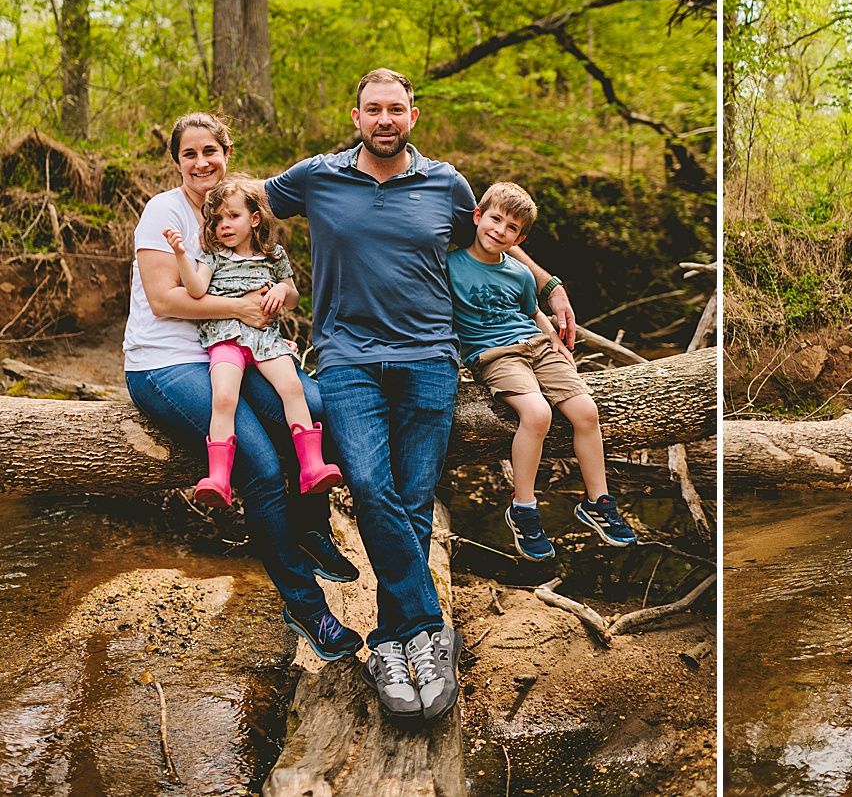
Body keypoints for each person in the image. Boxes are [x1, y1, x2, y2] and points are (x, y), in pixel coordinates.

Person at [265, 68, 576, 725]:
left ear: (414, 115)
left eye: (395, 109)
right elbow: (241, 208)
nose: (384, 118)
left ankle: (390, 641)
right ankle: (427, 628)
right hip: (347, 358)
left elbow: (490, 245)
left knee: (411, 498)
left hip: (431, 360)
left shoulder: (447, 184)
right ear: (355, 116)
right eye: (372, 108)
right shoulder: (317, 176)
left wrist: (550, 285)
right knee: (373, 488)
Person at [125, 113, 363, 664]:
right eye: (190, 154)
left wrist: (282, 296)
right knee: (257, 461)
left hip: (242, 350)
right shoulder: (166, 211)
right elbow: (165, 300)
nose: (202, 162)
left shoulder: (240, 201)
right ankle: (306, 607)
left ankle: (311, 526)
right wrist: (243, 308)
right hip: (168, 363)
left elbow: (286, 262)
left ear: (227, 151)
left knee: (320, 407)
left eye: (211, 150)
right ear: (177, 161)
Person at [449, 181, 637, 561]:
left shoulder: (519, 272)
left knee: (586, 411)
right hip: (495, 355)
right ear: (477, 216)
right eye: (495, 220)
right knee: (537, 414)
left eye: (512, 228)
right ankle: (524, 508)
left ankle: (597, 501)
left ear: (521, 237)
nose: (500, 231)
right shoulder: (450, 266)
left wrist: (554, 339)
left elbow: (532, 312)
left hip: (537, 346)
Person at [164, 173, 343, 506]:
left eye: (233, 216)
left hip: (266, 340)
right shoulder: (212, 257)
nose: (224, 225)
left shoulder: (273, 255)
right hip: (226, 339)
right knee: (224, 398)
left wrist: (281, 289)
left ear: (255, 218)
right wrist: (180, 256)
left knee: (292, 388)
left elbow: (292, 297)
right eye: (217, 220)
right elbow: (196, 290)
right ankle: (218, 478)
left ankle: (312, 466)